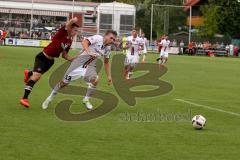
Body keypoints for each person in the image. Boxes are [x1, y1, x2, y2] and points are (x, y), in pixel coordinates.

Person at [42, 30, 117, 110]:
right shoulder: (98, 38)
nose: (112, 40)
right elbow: (84, 42)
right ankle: (49, 98)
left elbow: (106, 62)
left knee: (96, 80)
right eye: (111, 38)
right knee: (63, 83)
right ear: (105, 36)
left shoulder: (108, 49)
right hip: (78, 64)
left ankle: (86, 100)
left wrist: (109, 76)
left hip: (89, 66)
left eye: (114, 39)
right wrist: (89, 52)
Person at [19, 17, 79, 108]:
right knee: (36, 77)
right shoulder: (62, 32)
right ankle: (24, 98)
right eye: (75, 30)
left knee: (36, 74)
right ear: (70, 29)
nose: (76, 33)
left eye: (77, 31)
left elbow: (64, 55)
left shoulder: (69, 42)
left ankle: (29, 73)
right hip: (42, 57)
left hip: (50, 61)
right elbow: (67, 25)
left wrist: (74, 60)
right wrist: (73, 21)